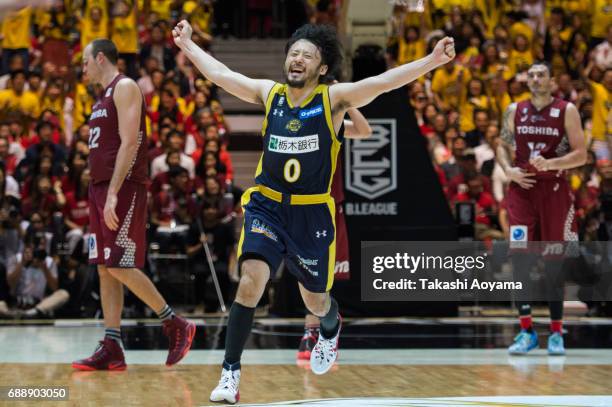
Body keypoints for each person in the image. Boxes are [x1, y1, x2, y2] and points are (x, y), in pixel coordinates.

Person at [173, 19, 455, 404]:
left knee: (315, 299)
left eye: (307, 55)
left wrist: (432, 61)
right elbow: (221, 74)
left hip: (311, 214)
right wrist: (188, 45)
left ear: (322, 68)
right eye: (294, 53)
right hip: (268, 206)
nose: (298, 59)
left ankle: (330, 326)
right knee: (251, 281)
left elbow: (385, 82)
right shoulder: (269, 94)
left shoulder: (334, 100)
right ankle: (230, 373)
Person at [71, 39, 196, 371]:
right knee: (103, 266)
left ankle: (174, 323)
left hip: (123, 187)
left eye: (85, 61)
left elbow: (130, 143)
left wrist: (113, 192)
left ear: (100, 58)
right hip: (100, 188)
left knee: (118, 264)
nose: (82, 68)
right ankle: (112, 344)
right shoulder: (101, 98)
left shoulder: (124, 87)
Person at [497, 62, 586, 356]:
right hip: (522, 191)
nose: (535, 79)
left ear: (551, 81)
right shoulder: (515, 110)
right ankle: (526, 331)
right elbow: (501, 145)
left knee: (553, 263)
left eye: (541, 75)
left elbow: (581, 154)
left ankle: (557, 332)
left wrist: (554, 163)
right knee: (520, 259)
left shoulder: (566, 110)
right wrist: (508, 170)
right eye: (531, 75)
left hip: (554, 192)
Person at [297, 102, 372, 362]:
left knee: (323, 275)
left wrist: (349, 103)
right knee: (305, 272)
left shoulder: (335, 123)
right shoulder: (297, 122)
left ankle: (316, 331)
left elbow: (364, 130)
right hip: (299, 206)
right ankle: (312, 330)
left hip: (329, 207)